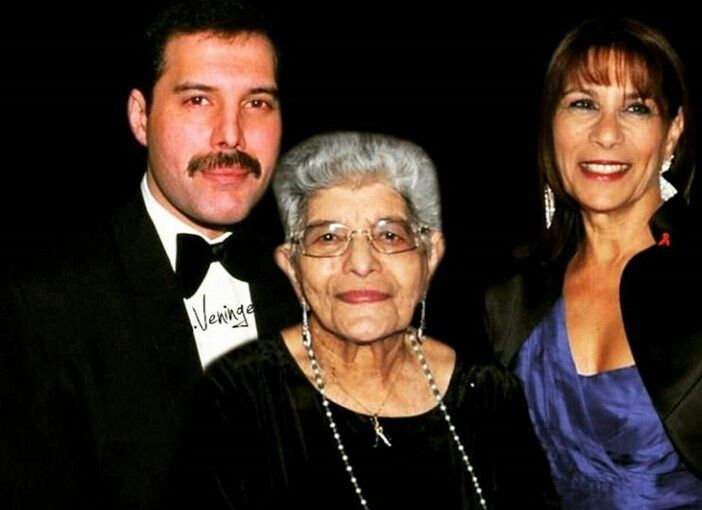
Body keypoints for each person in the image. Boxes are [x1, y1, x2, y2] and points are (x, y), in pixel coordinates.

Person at [0, 1, 298, 508]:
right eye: (199, 100)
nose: (231, 134)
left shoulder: (313, 282)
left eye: (257, 103)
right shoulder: (46, 310)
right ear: (141, 117)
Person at [173, 131, 558, 509]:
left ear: (430, 258)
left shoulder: (488, 396)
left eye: (389, 235)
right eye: (328, 238)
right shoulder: (238, 399)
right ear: (292, 268)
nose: (360, 264)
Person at [482, 17, 702, 507]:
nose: (606, 134)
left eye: (636, 109)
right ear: (550, 126)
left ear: (672, 134)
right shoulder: (510, 300)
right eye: (583, 104)